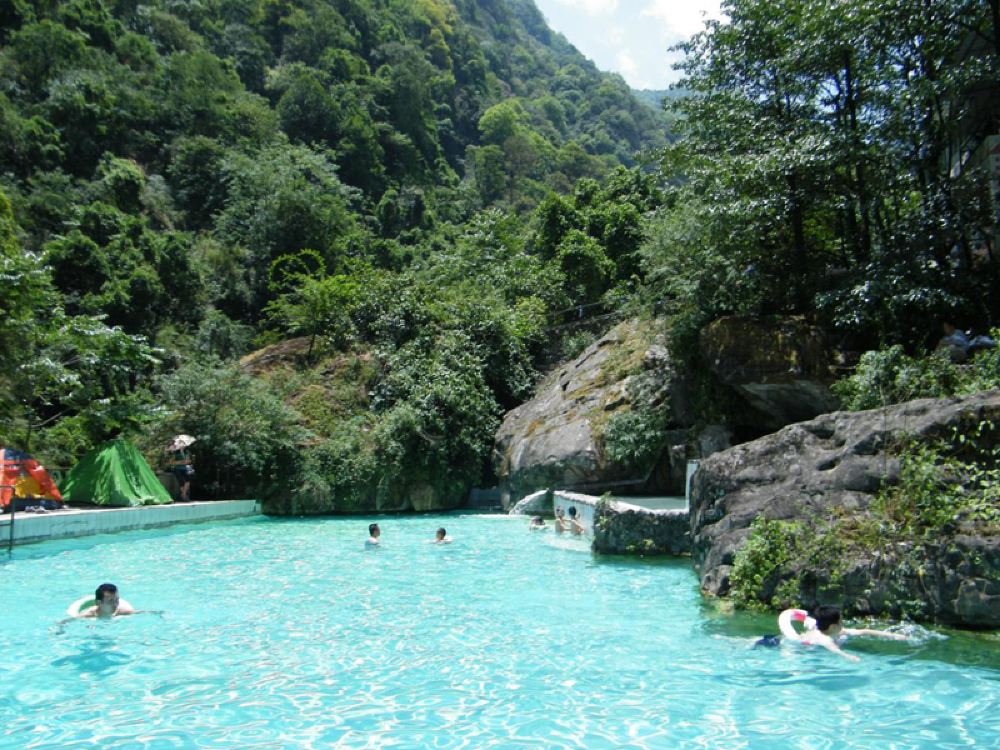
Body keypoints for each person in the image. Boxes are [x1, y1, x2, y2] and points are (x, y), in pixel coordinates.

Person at [779, 605, 907, 662]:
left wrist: (892, 635)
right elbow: (834, 650)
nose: (843, 622)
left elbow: (863, 631)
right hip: (802, 646)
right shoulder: (824, 639)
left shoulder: (836, 631)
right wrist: (848, 656)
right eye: (841, 620)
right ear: (834, 626)